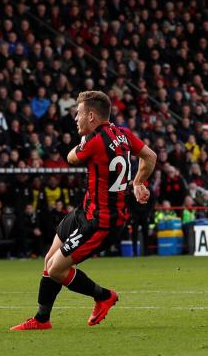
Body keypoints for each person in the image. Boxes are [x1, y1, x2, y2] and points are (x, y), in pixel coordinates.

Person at [12, 91, 157, 331]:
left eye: (78, 113)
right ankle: (41, 319)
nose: (75, 119)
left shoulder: (94, 142)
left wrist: (82, 142)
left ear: (91, 116)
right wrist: (138, 182)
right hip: (86, 210)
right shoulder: (124, 134)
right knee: (50, 260)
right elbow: (149, 156)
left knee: (57, 268)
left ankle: (103, 296)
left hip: (101, 221)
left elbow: (71, 158)